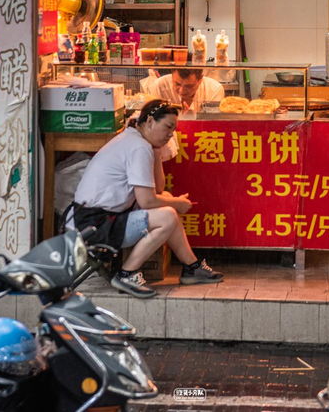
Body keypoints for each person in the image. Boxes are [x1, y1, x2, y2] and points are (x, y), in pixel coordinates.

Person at [73, 99, 223, 298]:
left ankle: (191, 267)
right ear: (150, 121)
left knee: (167, 200)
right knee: (168, 215)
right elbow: (147, 201)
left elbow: (158, 190)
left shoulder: (140, 142)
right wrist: (178, 204)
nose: (170, 135)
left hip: (102, 218)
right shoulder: (137, 147)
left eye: (173, 130)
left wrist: (157, 151)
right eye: (168, 127)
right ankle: (127, 274)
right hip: (96, 226)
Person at [153, 68, 224, 112]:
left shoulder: (214, 89)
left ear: (200, 80)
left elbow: (214, 123)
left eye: (189, 86)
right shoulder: (160, 86)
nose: (182, 91)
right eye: (177, 84)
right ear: (172, 75)